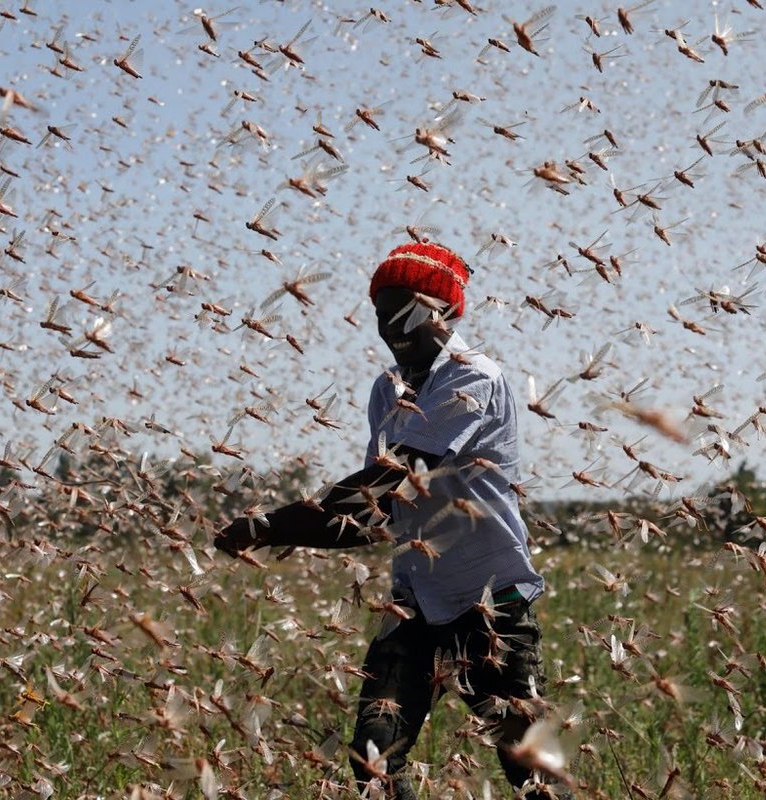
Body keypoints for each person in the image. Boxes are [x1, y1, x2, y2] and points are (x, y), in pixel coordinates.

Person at [216, 241, 571, 799]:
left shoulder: (472, 376)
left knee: (531, 773)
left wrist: (270, 527)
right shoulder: (388, 390)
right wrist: (271, 534)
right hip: (414, 602)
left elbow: (391, 480)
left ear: (446, 311)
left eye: (406, 308)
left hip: (491, 602)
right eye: (382, 311)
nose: (391, 324)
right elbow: (370, 518)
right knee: (374, 759)